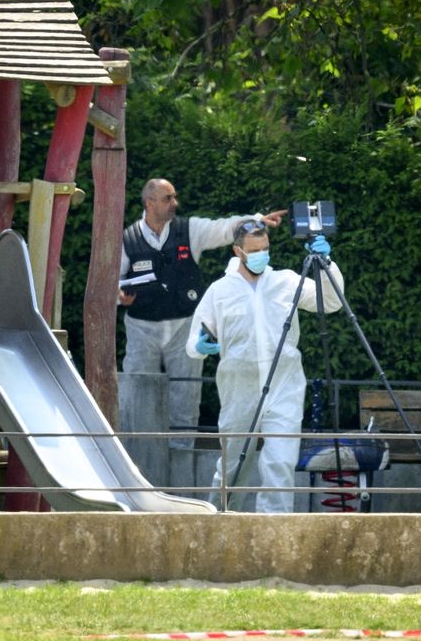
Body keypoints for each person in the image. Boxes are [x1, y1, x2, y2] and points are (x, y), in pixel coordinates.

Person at [186, 217, 343, 512]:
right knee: (233, 466)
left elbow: (331, 302)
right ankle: (218, 523)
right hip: (239, 391)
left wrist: (326, 264)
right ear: (238, 251)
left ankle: (275, 530)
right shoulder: (220, 291)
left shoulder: (285, 282)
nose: (262, 255)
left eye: (265, 248)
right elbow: (193, 342)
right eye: (254, 250)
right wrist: (199, 345)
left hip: (284, 387)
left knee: (280, 464)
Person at [116, 180, 280, 454]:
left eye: (174, 197)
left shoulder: (188, 230)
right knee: (137, 392)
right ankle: (137, 456)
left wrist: (256, 219)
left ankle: (182, 458)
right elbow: (112, 280)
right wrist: (119, 295)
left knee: (186, 396)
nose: (175, 203)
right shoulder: (127, 238)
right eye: (168, 198)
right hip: (141, 328)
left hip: (184, 326)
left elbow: (223, 227)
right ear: (150, 203)